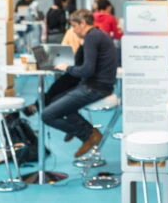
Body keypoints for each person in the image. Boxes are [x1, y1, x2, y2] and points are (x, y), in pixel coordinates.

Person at [42, 9, 118, 158]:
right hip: (97, 85)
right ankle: (82, 130)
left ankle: (87, 134)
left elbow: (87, 70)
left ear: (83, 23)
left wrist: (67, 68)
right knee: (55, 99)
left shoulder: (92, 37)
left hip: (95, 88)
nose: (73, 31)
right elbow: (82, 64)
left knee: (47, 115)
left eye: (74, 26)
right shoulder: (95, 35)